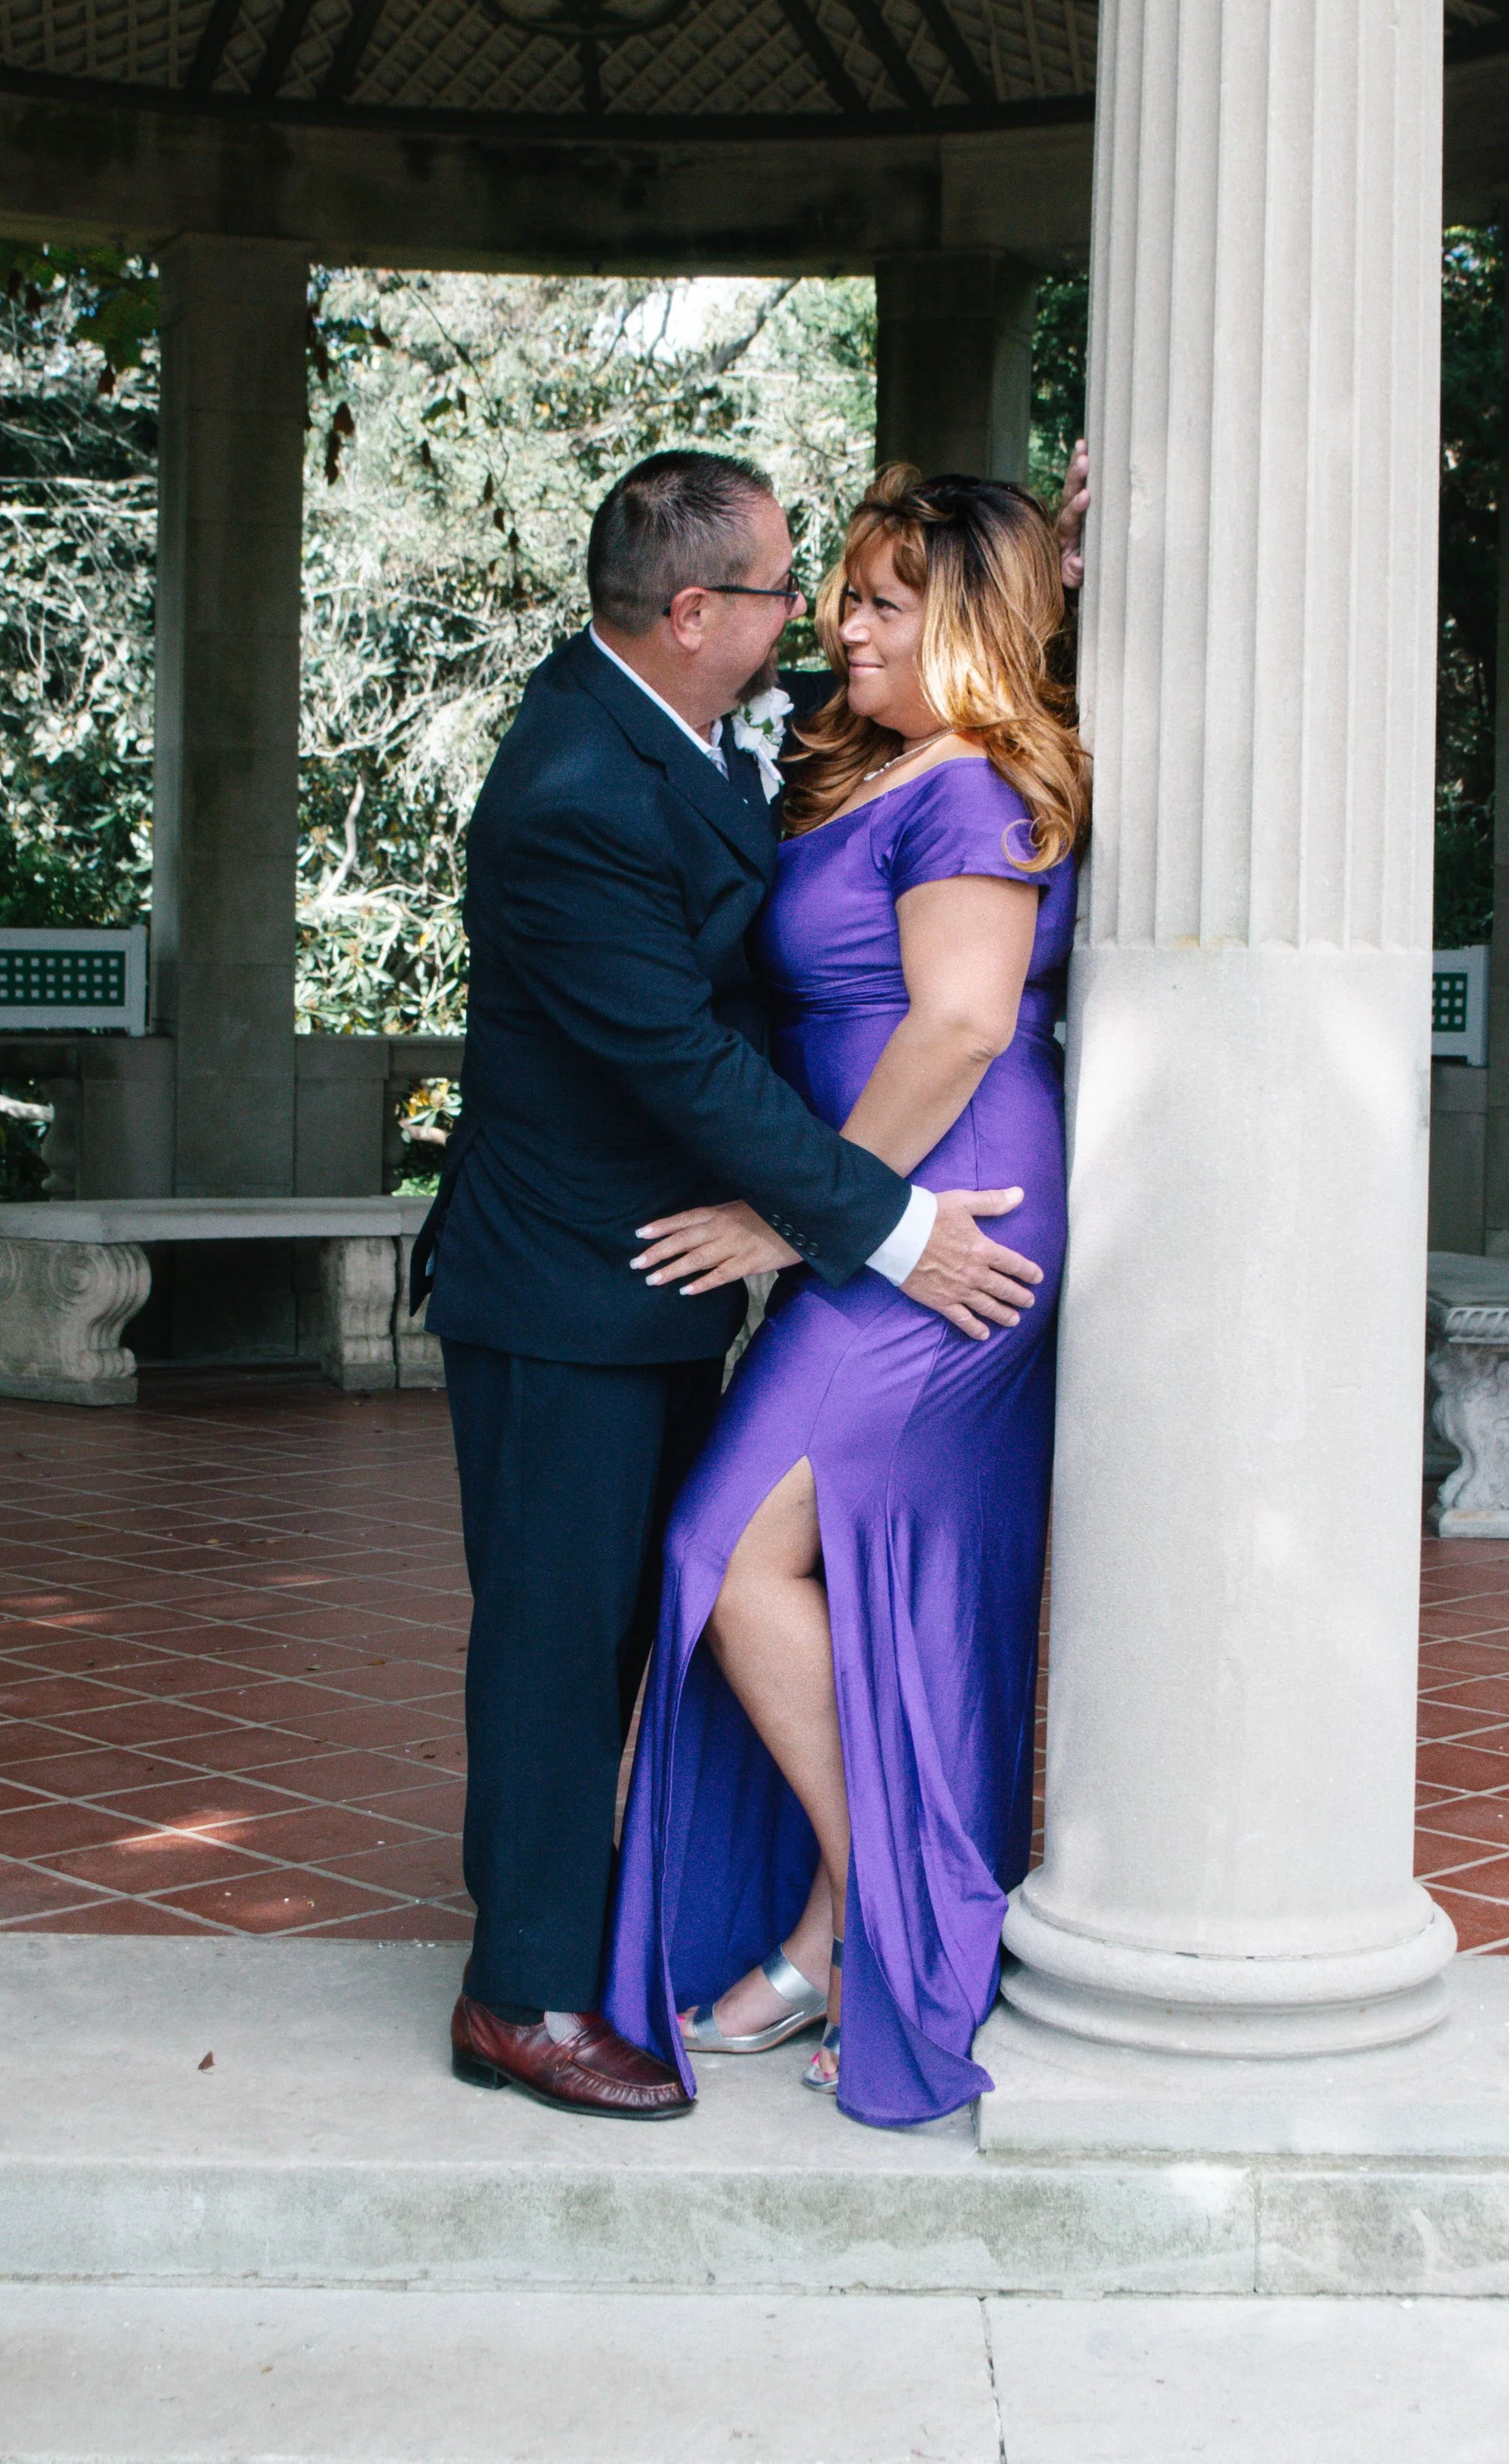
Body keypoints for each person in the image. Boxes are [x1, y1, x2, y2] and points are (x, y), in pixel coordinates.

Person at [413, 450, 1047, 2121]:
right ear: (694, 612)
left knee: (647, 1600)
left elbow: (933, 992)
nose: (820, 617)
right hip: (577, 1279)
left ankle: (846, 1916)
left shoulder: (686, 733)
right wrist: (877, 1226)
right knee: (565, 1633)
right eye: (792, 590)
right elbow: (681, 1060)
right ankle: (527, 1993)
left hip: (719, 1253)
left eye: (858, 594)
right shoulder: (575, 785)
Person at [605, 465, 1091, 2126]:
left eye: (881, 602)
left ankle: (891, 1908)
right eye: (842, 594)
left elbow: (954, 1025)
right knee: (776, 1559)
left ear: (953, 618)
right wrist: (1066, 558)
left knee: (722, 1552)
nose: (839, 626)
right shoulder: (901, 755)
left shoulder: (963, 788)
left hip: (945, 1216)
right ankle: (838, 1915)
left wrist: (795, 1214)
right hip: (890, 1208)